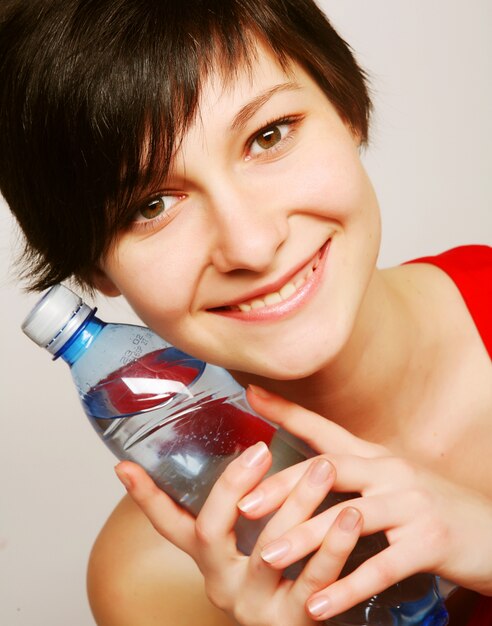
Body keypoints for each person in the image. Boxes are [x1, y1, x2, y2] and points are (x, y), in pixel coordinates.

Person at [0, 1, 490, 624]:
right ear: (93, 266)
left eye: (268, 135)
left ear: (347, 107)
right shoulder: (153, 581)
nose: (252, 246)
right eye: (151, 205)